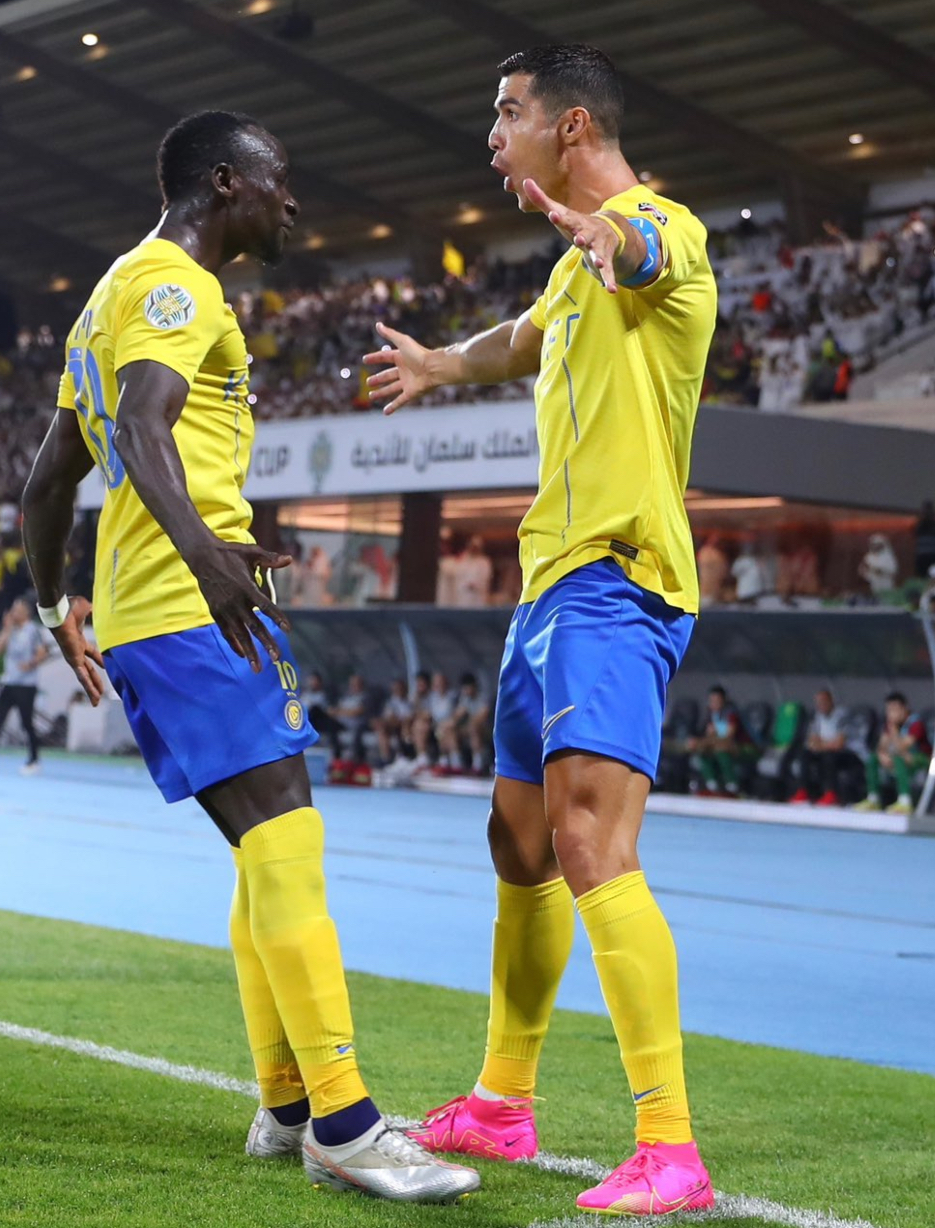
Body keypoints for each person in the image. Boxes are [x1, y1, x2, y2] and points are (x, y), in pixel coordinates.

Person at [17, 111, 474, 1201]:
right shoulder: (178, 288)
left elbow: (46, 482)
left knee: (266, 851)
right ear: (226, 184)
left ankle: (284, 1100)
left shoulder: (108, 296)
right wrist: (206, 559)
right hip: (188, 608)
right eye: (280, 182)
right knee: (288, 847)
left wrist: (52, 609)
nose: (292, 202)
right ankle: (347, 1126)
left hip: (162, 610)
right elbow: (140, 427)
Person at [364, 45, 718, 1212]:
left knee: (586, 844)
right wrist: (434, 363)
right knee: (517, 846)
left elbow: (641, 250)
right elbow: (515, 342)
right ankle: (501, 1105)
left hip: (617, 581)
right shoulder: (567, 277)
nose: (490, 130)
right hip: (548, 587)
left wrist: (604, 231)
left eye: (506, 110)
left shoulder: (661, 231)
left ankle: (669, 1146)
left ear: (571, 127)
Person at [0, 598, 50, 775]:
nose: (14, 613)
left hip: (26, 685)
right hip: (9, 682)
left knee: (26, 723)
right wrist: (6, 628)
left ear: (26, 613)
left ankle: (34, 759)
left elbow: (43, 652)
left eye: (17, 610)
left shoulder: (32, 630)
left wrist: (31, 664)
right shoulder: (11, 630)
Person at [855, 691, 930, 815]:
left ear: (904, 708)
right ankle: (873, 799)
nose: (891, 713)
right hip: (901, 757)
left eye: (895, 709)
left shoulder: (916, 723)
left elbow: (902, 747)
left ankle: (905, 801)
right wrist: (882, 755)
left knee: (898, 758)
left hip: (921, 758)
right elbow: (881, 746)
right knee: (873, 758)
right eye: (889, 710)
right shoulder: (889, 725)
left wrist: (894, 729)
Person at [789, 688, 855, 806]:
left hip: (847, 753)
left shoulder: (842, 715)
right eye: (818, 703)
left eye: (824, 702)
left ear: (831, 701)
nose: (821, 705)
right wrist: (824, 744)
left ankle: (831, 794)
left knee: (829, 756)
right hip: (826, 751)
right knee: (805, 754)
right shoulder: (817, 716)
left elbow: (839, 743)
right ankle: (803, 792)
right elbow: (811, 740)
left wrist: (821, 744)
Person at [686, 684, 755, 795]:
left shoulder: (731, 713)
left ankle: (732, 783)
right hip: (718, 744)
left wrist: (715, 731)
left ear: (724, 700)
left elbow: (729, 734)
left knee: (721, 749)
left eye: (717, 700)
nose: (714, 703)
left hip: (739, 746)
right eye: (712, 700)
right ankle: (711, 782)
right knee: (703, 750)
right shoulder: (710, 714)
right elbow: (704, 732)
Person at [913, 501, 935, 578]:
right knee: (922, 577)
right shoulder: (920, 526)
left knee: (934, 577)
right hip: (922, 558)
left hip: (934, 557)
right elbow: (914, 532)